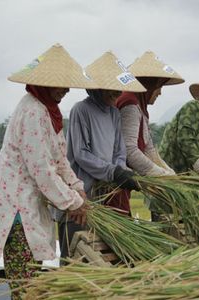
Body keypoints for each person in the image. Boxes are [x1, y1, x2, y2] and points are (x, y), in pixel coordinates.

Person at [0, 44, 94, 299]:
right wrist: (73, 203)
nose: (66, 90)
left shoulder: (50, 111)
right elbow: (43, 171)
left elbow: (59, 157)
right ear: (44, 83)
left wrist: (77, 188)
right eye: (61, 84)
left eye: (68, 85)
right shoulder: (33, 111)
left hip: (28, 195)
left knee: (34, 265)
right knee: (25, 275)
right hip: (15, 199)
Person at [53, 51, 146, 259]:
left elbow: (119, 149)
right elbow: (81, 153)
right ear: (97, 87)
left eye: (118, 89)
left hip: (105, 198)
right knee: (74, 254)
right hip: (81, 195)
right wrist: (111, 172)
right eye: (111, 89)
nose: (116, 93)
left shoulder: (114, 113)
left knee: (98, 255)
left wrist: (120, 170)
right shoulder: (81, 110)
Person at [116, 51, 184, 177]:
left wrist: (168, 171)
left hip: (125, 177)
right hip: (119, 177)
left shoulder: (140, 106)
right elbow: (129, 150)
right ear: (149, 84)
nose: (159, 93)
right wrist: (160, 174)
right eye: (159, 87)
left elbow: (149, 148)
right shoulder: (130, 104)